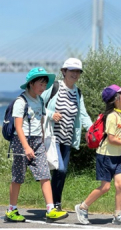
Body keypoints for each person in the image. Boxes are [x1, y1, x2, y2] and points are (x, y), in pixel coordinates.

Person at [5, 67, 69, 223]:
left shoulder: (40, 100)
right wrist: (26, 147)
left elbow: (42, 118)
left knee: (44, 174)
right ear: (31, 83)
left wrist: (42, 140)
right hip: (22, 142)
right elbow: (18, 127)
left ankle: (50, 209)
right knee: (18, 177)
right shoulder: (21, 102)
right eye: (41, 84)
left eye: (45, 84)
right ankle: (11, 209)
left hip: (37, 141)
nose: (44, 88)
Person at [75, 84, 121, 226]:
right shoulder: (112, 117)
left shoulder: (120, 112)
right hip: (105, 155)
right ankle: (82, 207)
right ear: (115, 99)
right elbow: (111, 139)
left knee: (120, 185)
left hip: (116, 156)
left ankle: (118, 215)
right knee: (106, 187)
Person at [41, 58, 93, 211]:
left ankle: (55, 203)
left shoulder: (77, 92)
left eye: (77, 71)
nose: (75, 74)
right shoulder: (54, 87)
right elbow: (38, 104)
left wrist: (92, 130)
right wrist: (51, 114)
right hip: (52, 136)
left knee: (62, 172)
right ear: (64, 71)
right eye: (72, 70)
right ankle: (53, 203)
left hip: (68, 138)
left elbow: (83, 114)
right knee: (60, 169)